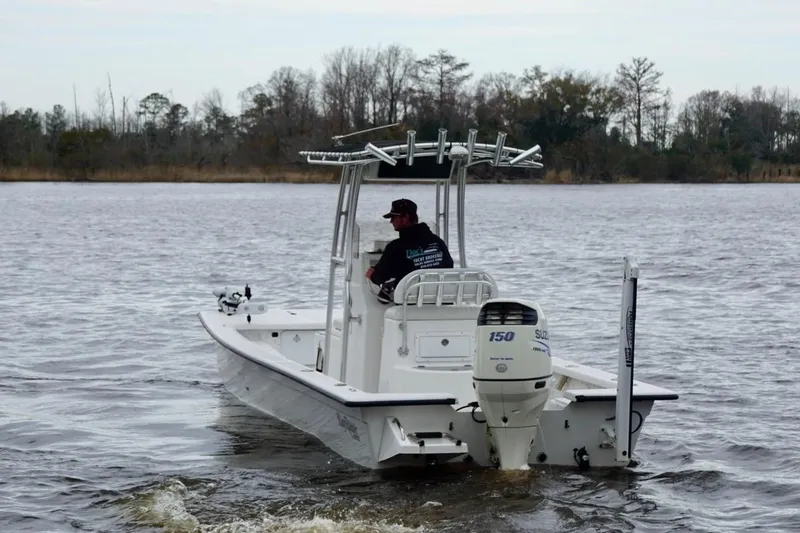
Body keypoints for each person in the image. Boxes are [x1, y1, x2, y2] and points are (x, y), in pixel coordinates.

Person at [365, 198, 454, 301]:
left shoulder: (396, 247)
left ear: (406, 217)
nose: (391, 221)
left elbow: (380, 276)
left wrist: (371, 274)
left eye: (394, 217)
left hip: (409, 307)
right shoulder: (438, 242)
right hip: (440, 301)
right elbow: (449, 267)